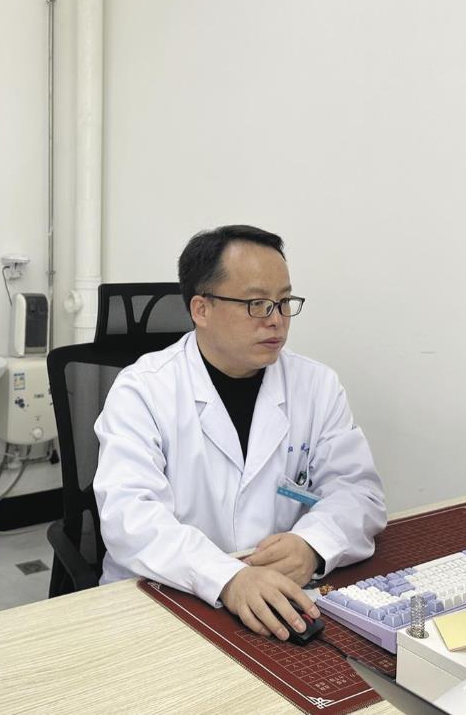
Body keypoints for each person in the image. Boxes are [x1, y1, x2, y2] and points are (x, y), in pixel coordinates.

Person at [93, 225, 386, 642]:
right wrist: (226, 577)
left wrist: (313, 544)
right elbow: (130, 517)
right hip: (162, 598)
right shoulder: (143, 389)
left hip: (279, 600)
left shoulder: (316, 385)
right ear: (201, 309)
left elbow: (358, 492)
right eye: (257, 304)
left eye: (284, 302)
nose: (277, 320)